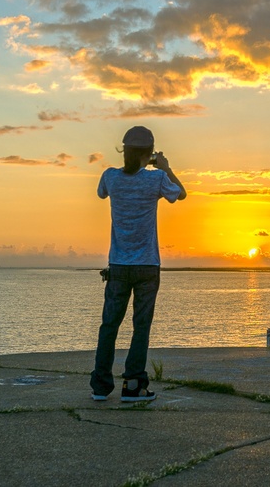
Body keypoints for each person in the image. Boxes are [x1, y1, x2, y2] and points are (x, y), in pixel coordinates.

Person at [90, 126, 187, 403]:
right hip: (147, 265)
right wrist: (166, 167)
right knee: (140, 326)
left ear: (124, 151)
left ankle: (100, 386)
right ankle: (133, 386)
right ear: (149, 152)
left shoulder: (110, 177)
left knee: (109, 325)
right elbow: (180, 194)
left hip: (118, 264)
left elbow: (100, 194)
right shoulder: (156, 179)